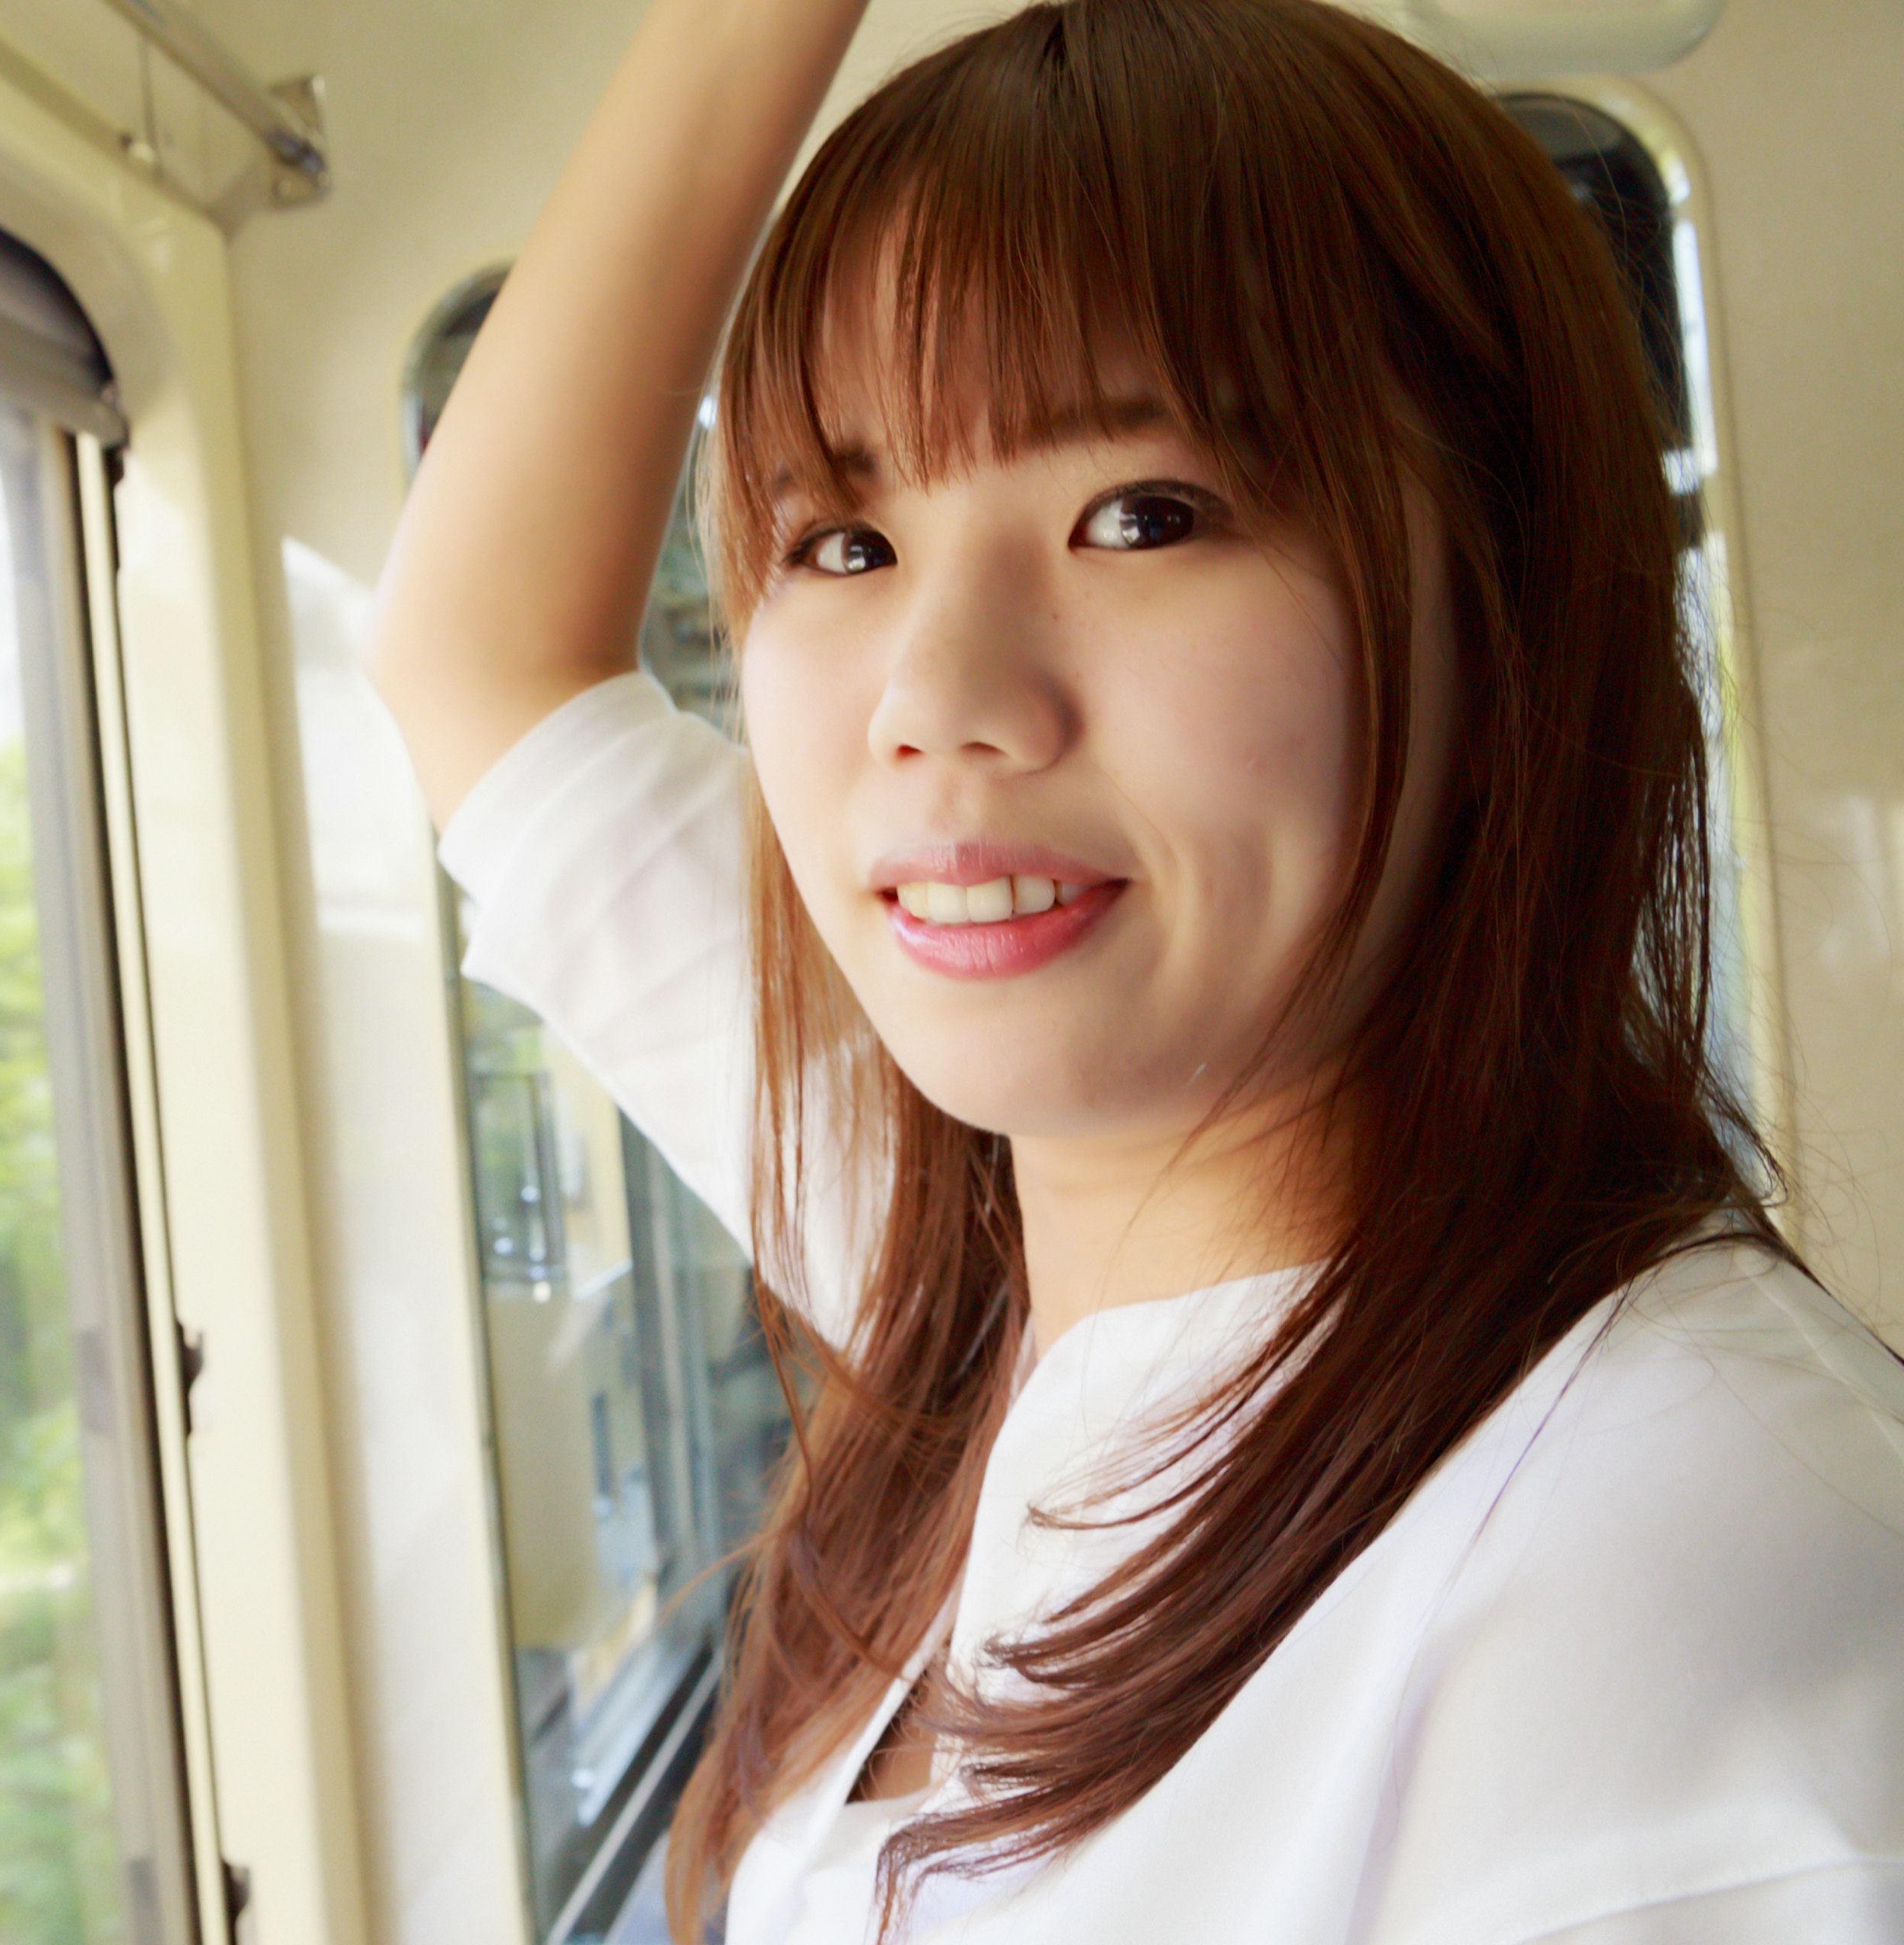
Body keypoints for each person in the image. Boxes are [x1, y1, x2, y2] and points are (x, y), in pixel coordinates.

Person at [364, 0, 1904, 1938]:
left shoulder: (1678, 1573)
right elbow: (479, 657)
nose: (938, 701)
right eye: (842, 540)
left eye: (1143, 514)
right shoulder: (994, 1285)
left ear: (1505, 592)